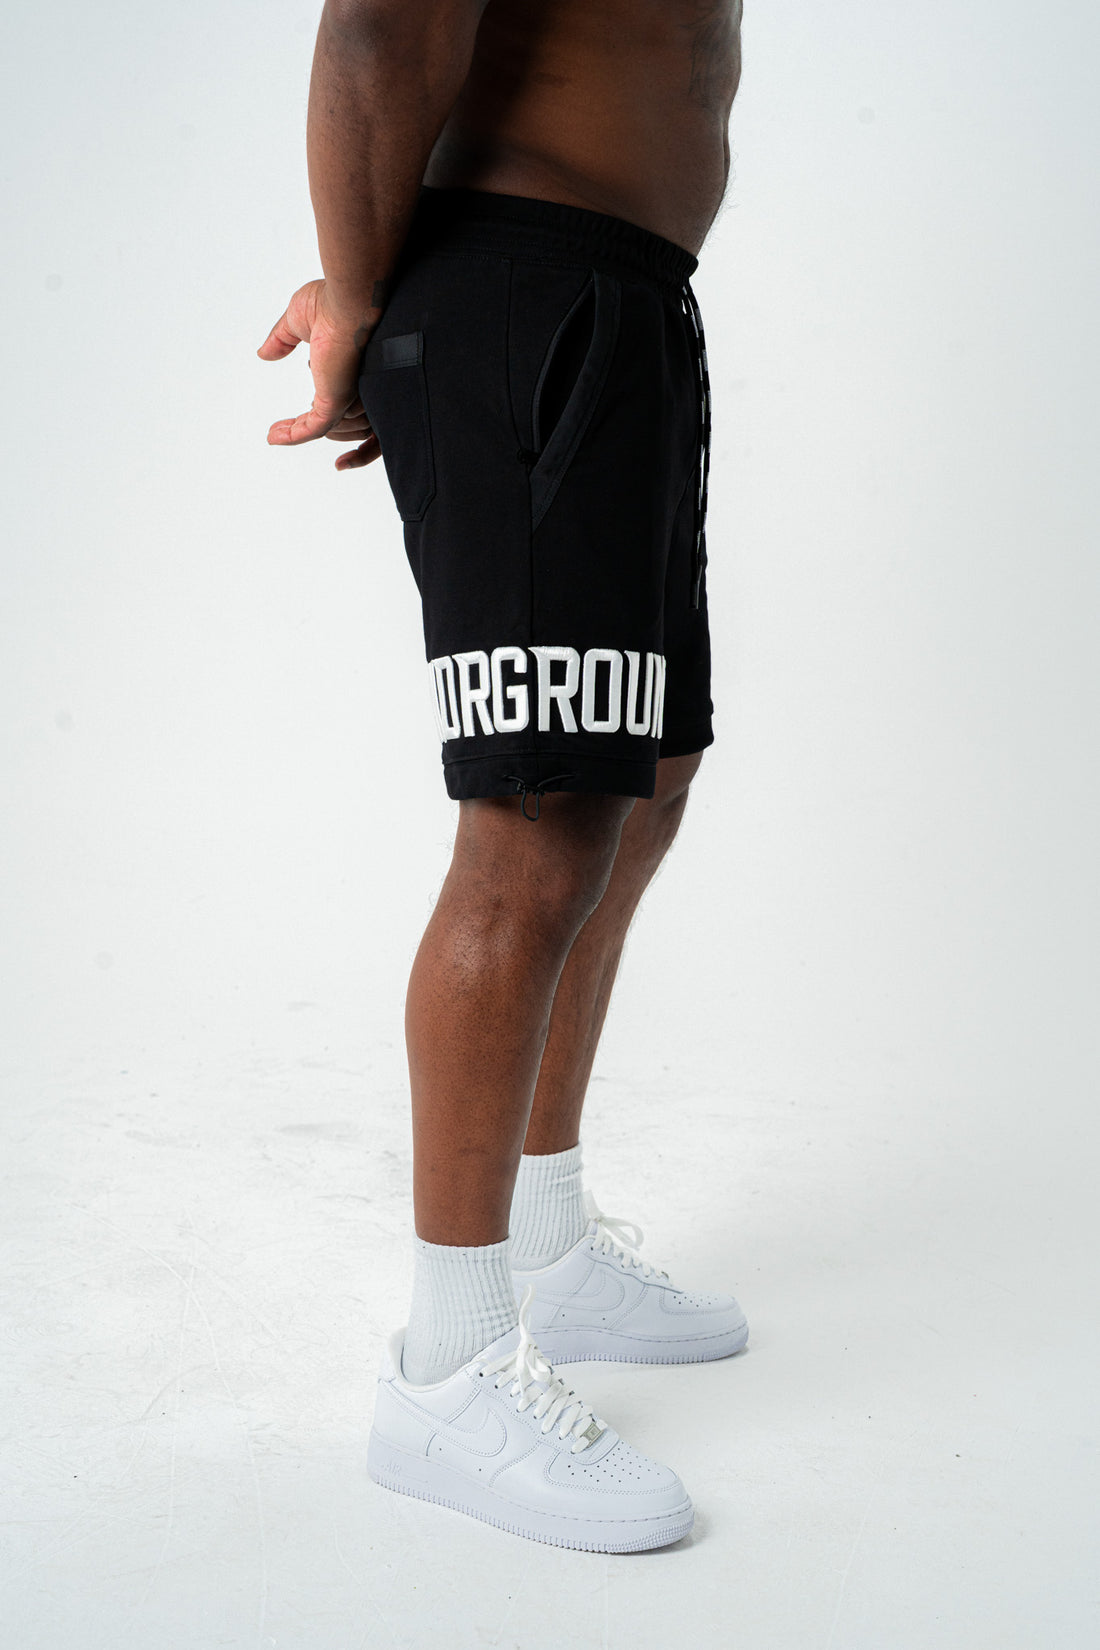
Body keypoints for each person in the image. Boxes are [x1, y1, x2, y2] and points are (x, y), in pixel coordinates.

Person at [259, 0, 746, 1552]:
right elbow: (378, 26)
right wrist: (355, 293)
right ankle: (447, 1368)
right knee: (535, 833)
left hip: (630, 298)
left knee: (643, 779)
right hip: (529, 298)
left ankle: (548, 1237)